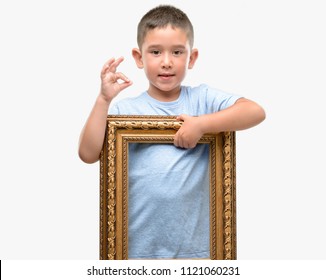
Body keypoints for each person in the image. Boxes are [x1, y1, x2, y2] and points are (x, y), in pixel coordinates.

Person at [79, 5, 265, 259]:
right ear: (139, 57)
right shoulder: (126, 110)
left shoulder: (203, 99)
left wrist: (202, 124)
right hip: (136, 249)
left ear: (192, 58)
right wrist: (103, 100)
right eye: (155, 52)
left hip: (197, 252)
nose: (166, 62)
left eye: (177, 52)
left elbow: (255, 111)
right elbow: (88, 154)